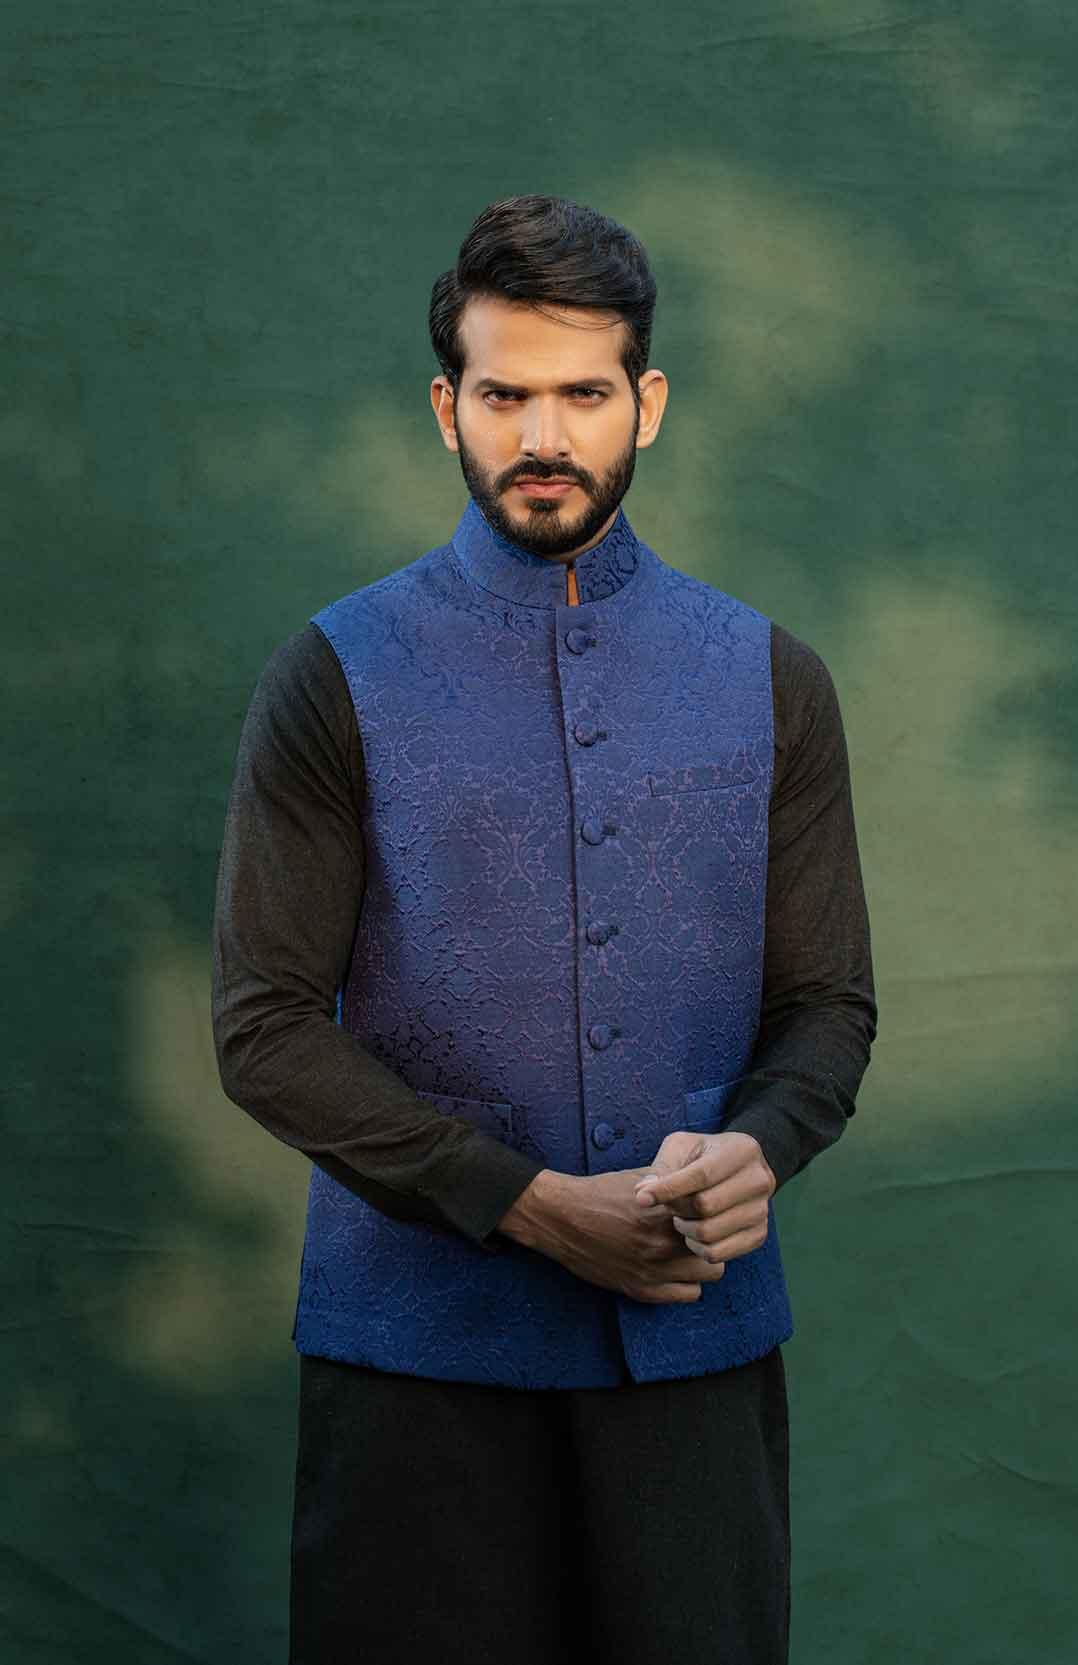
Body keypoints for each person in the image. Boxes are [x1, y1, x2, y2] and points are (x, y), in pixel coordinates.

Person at [211, 192, 876, 1665]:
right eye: (505, 394)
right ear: (446, 405)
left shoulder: (772, 675)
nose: (543, 436)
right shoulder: (333, 671)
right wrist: (524, 1202)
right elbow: (263, 1030)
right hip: (412, 1372)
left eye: (582, 393)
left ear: (648, 402)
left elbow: (828, 1004)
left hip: (694, 1357)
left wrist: (763, 1147)